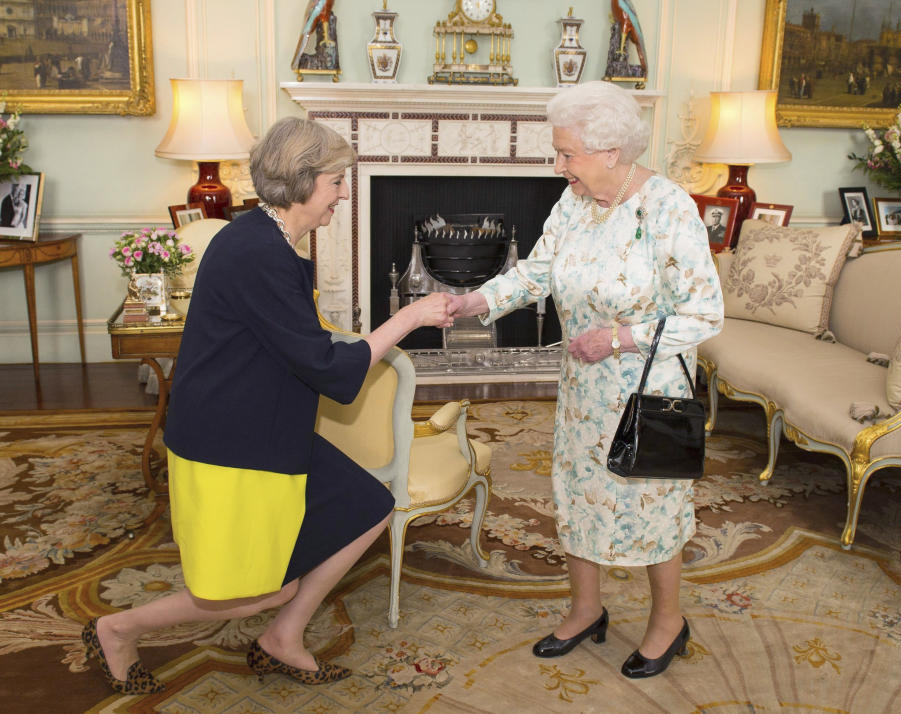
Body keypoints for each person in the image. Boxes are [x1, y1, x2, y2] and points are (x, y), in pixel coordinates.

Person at [80, 117, 455, 694]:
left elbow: (300, 341)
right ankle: (117, 628)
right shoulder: (257, 251)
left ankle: (283, 637)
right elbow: (329, 371)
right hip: (231, 442)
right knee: (259, 588)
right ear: (302, 182)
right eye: (336, 181)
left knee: (368, 504)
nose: (344, 192)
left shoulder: (269, 236)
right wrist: (407, 317)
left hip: (268, 422)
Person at [446, 81, 724, 679]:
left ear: (610, 154)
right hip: (583, 390)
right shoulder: (573, 202)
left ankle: (667, 622)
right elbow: (536, 272)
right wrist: (472, 302)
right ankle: (585, 609)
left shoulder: (669, 209)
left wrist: (617, 338)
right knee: (578, 494)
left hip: (647, 391)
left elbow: (703, 313)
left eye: (567, 154)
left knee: (651, 502)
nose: (558, 165)